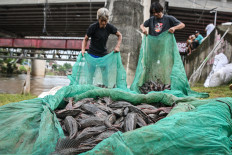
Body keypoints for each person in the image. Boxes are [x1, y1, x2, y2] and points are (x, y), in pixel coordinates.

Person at [81, 8, 122, 86]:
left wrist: (117, 46)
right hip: (92, 54)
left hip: (103, 54)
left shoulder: (109, 27)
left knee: (105, 74)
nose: (103, 23)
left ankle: (105, 88)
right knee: (90, 74)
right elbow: (85, 39)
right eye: (101, 21)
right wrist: (83, 49)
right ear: (98, 19)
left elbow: (120, 35)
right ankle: (88, 88)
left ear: (107, 20)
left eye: (105, 21)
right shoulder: (93, 27)